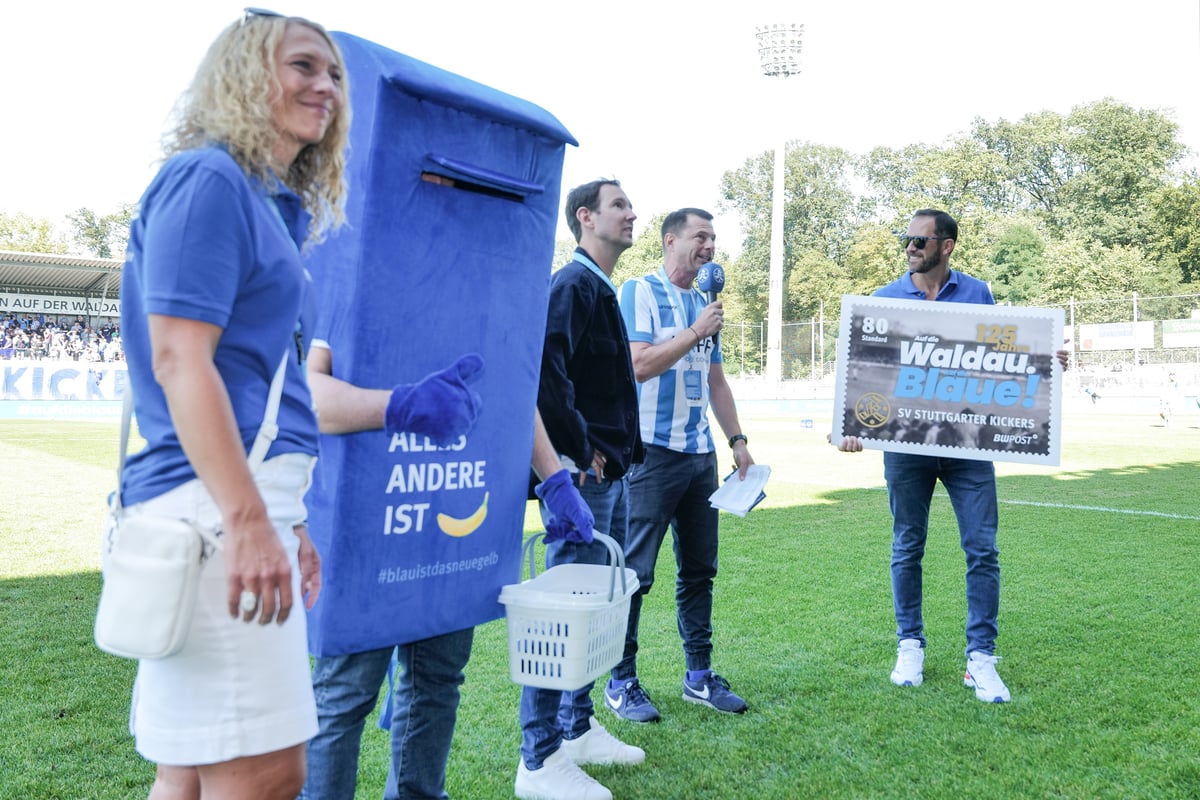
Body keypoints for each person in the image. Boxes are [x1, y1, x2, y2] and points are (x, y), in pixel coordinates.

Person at [117, 10, 347, 798]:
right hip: (210, 512)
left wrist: (290, 521)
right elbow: (182, 358)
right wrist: (252, 521)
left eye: (335, 75)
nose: (326, 87)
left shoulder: (263, 200)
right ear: (247, 75)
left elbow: (261, 380)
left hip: (235, 506)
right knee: (265, 771)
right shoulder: (209, 177)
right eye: (305, 67)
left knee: (190, 769)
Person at [299, 337, 594, 800]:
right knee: (346, 692)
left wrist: (553, 478)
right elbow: (309, 395)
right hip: (371, 513)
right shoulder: (361, 269)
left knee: (437, 682)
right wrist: (399, 406)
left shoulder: (493, 283)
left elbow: (512, 385)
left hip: (456, 502)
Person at [835, 208, 1069, 704]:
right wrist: (852, 428)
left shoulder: (978, 292)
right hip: (905, 447)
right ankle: (909, 645)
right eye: (907, 240)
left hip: (967, 445)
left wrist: (1044, 360)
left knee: (982, 549)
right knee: (907, 546)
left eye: (920, 241)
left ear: (947, 246)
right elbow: (866, 377)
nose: (910, 248)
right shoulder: (882, 300)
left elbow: (994, 361)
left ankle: (980, 658)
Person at [516, 179, 646, 800]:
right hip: (582, 477)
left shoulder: (601, 287)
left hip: (610, 475)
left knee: (596, 609)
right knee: (563, 611)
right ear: (586, 217)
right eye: (619, 204)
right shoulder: (571, 284)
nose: (631, 213)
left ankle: (577, 727)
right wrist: (577, 448)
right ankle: (538, 757)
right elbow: (544, 371)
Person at [607, 207, 754, 723]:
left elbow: (716, 381)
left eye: (713, 238)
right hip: (649, 454)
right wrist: (694, 331)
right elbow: (639, 364)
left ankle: (698, 676)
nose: (710, 246)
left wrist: (736, 441)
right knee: (635, 575)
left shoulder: (705, 303)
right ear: (671, 241)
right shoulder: (639, 292)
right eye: (700, 236)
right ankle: (621, 680)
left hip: (700, 458)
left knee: (699, 570)